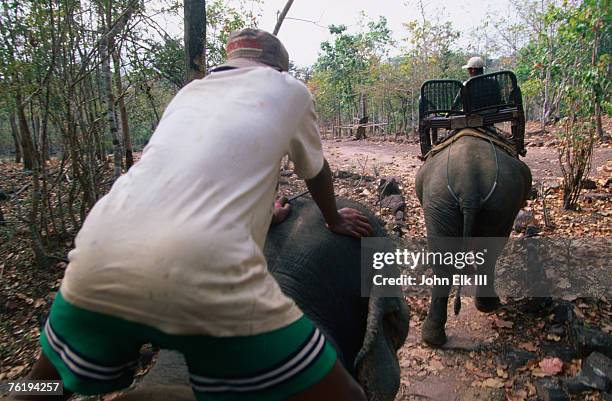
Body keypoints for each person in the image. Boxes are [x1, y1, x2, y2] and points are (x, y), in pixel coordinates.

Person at [10, 28, 371, 401]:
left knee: (39, 387)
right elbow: (315, 170)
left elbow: (188, 178)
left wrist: (265, 216)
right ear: (279, 67)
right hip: (205, 271)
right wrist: (332, 218)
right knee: (347, 396)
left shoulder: (190, 93)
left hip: (96, 253)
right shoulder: (290, 89)